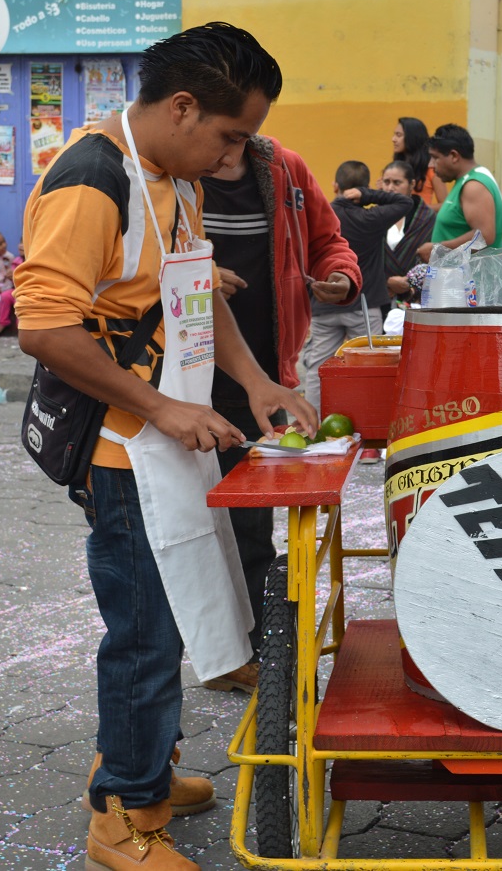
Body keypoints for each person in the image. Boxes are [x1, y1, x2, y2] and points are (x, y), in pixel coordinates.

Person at [14, 23, 316, 871]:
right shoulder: (93, 180)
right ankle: (123, 818)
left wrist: (255, 383)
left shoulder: (173, 178)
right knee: (144, 632)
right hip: (121, 448)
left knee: (175, 610)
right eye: (230, 135)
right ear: (182, 108)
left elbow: (189, 290)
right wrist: (161, 410)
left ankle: (136, 764)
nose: (235, 156)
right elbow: (42, 328)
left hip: (164, 429)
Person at [204, 133, 361, 687]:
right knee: (186, 523)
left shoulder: (284, 169)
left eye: (243, 131)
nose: (229, 149)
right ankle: (208, 648)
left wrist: (341, 277)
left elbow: (329, 241)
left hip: (267, 378)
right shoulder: (166, 171)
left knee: (251, 523)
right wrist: (197, 279)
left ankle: (245, 651)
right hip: (182, 376)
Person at [301, 160, 410, 421]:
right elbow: (406, 203)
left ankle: (313, 424)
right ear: (361, 189)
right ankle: (368, 422)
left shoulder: (319, 216)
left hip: (323, 305)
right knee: (367, 368)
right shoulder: (370, 217)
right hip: (365, 303)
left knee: (318, 368)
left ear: (335, 186)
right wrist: (370, 194)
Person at [418, 123, 502, 262]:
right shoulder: (467, 180)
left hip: (470, 281)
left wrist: (438, 248)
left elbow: (484, 236)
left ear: (453, 156)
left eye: (435, 158)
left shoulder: (473, 186)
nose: (431, 165)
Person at [382, 160, 437, 306]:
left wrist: (408, 282)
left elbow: (434, 261)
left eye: (397, 183)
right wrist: (387, 281)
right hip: (380, 296)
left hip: (417, 298)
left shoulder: (426, 218)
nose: (390, 188)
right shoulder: (373, 217)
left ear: (411, 185)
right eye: (386, 182)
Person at [392, 117, 444, 207]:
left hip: (421, 220)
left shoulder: (431, 167)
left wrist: (418, 210)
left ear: (412, 138)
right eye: (394, 134)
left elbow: (445, 205)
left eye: (398, 135)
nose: (393, 139)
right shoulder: (397, 165)